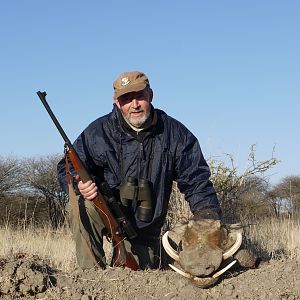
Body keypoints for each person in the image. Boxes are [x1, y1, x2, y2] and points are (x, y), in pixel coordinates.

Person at [57, 71, 221, 270]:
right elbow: (67, 167)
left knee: (142, 270)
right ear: (117, 102)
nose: (134, 104)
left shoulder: (175, 133)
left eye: (139, 97)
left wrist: (207, 218)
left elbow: (197, 181)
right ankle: (92, 279)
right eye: (126, 99)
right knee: (80, 207)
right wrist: (79, 184)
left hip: (145, 232)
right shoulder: (98, 131)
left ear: (150, 95)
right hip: (109, 215)